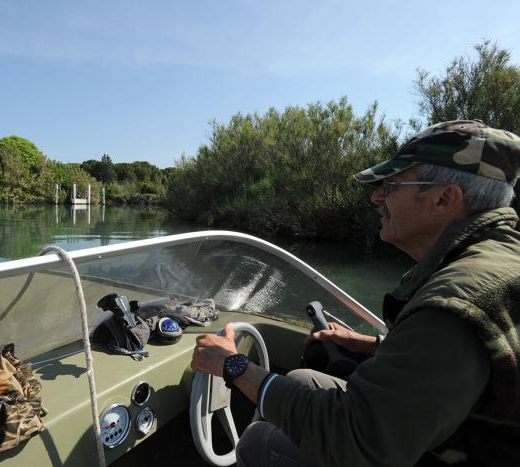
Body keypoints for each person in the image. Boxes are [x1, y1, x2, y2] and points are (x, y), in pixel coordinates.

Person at [190, 120, 520, 467]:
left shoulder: (456, 302)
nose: (377, 197)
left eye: (391, 185)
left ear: (444, 198)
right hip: (460, 436)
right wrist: (372, 345)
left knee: (259, 443)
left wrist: (235, 365)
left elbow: (358, 442)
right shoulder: (496, 257)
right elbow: (447, 361)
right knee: (302, 379)